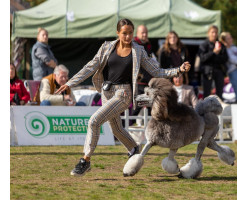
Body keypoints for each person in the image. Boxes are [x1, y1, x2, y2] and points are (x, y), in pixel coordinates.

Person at [55, 18, 191, 177]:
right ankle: (134, 149)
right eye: (124, 33)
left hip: (123, 93)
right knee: (116, 129)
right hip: (106, 92)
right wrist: (71, 83)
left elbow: (157, 71)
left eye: (130, 33)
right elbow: (90, 66)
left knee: (94, 121)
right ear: (117, 33)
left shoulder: (138, 50)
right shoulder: (106, 47)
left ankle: (85, 160)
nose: (128, 37)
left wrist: (178, 70)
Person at [132, 25, 154, 123]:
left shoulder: (148, 45)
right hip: (138, 82)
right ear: (137, 33)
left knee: (151, 107)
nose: (145, 35)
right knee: (137, 106)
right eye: (142, 33)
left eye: (146, 32)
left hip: (148, 82)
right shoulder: (134, 44)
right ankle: (124, 130)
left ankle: (149, 130)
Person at [198, 25, 228, 99]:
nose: (214, 34)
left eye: (216, 32)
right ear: (208, 33)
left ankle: (220, 108)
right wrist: (213, 52)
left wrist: (216, 55)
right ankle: (206, 109)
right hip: (207, 72)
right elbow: (202, 58)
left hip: (219, 71)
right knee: (207, 93)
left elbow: (225, 58)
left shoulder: (221, 45)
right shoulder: (204, 45)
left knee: (219, 93)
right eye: (212, 32)